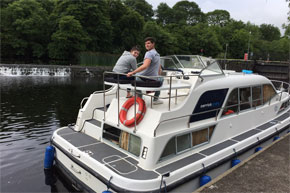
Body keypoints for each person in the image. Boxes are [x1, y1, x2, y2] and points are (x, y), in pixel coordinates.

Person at [127, 37, 163, 104]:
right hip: (153, 79)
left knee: (136, 77)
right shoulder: (157, 54)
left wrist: (132, 72)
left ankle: (140, 98)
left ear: (153, 44)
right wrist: (157, 76)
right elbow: (159, 68)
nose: (146, 45)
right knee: (161, 79)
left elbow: (145, 66)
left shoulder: (149, 53)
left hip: (143, 78)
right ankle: (156, 99)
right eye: (145, 44)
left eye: (148, 43)